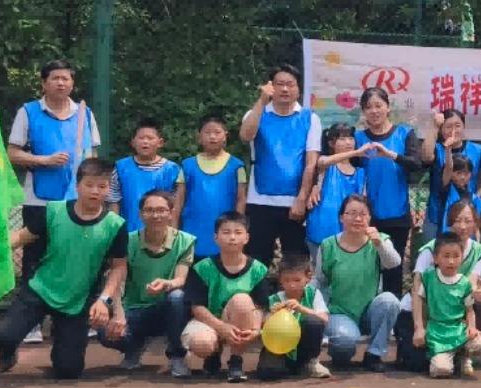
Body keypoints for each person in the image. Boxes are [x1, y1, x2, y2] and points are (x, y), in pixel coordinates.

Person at [0, 158, 126, 378]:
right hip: (41, 289)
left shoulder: (115, 225)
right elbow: (20, 237)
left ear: (108, 189)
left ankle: (62, 346)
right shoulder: (54, 211)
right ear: (77, 185)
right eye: (89, 185)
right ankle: (8, 350)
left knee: (68, 370)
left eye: (102, 186)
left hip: (77, 300)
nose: (95, 191)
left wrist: (104, 300)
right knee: (2, 336)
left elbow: (119, 267)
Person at [6, 60, 101, 342]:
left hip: (77, 201)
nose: (61, 83)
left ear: (72, 83)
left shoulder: (85, 113)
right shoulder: (28, 112)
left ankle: (80, 317)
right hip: (40, 200)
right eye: (55, 78)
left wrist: (91, 188)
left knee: (80, 258)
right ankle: (31, 324)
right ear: (44, 83)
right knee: (35, 258)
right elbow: (13, 153)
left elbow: (93, 156)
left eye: (66, 78)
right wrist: (44, 160)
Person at [100, 189, 194, 378]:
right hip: (135, 309)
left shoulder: (185, 241)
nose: (155, 215)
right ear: (140, 214)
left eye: (161, 210)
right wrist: (118, 314)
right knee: (104, 331)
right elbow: (117, 280)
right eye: (149, 210)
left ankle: (176, 355)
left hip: (167, 309)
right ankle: (133, 347)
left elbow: (180, 279)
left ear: (171, 213)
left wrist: (166, 284)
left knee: (177, 297)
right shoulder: (127, 241)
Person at [239, 64, 321, 267]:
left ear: (298, 88)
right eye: (279, 84)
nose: (285, 89)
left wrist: (302, 198)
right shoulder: (256, 114)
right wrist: (262, 100)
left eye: (290, 84)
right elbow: (245, 136)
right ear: (270, 86)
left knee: (296, 262)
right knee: (256, 260)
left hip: (294, 201)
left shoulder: (310, 118)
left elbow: (311, 162)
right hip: (260, 200)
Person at [314, 195, 403, 372]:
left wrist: (379, 244)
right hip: (340, 312)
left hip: (370, 310)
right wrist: (319, 312)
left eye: (363, 214)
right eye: (352, 213)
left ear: (369, 218)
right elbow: (319, 281)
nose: (357, 218)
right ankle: (340, 351)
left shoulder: (380, 240)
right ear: (341, 217)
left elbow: (394, 263)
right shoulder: (328, 245)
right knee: (344, 345)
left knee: (390, 301)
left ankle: (374, 354)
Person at [181, 211, 272, 383]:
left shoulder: (258, 269)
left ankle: (236, 361)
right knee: (202, 344)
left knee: (242, 301)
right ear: (216, 238)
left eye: (238, 232)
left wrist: (255, 329)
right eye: (226, 232)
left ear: (247, 238)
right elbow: (197, 307)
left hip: (241, 320)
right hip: (209, 320)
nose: (232, 237)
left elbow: (260, 305)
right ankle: (213, 355)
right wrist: (221, 327)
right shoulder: (203, 267)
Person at [354, 87, 427, 297]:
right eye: (369, 107)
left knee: (393, 268)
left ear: (388, 107)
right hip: (366, 217)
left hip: (397, 215)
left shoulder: (404, 134)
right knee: (366, 268)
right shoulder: (358, 138)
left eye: (378, 105)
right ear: (363, 111)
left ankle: (392, 312)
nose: (374, 111)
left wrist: (390, 154)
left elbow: (416, 164)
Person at [409, 231, 481, 378]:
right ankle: (452, 358)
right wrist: (420, 328)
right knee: (441, 371)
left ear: (462, 258)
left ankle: (464, 355)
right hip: (437, 332)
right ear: (436, 258)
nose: (451, 261)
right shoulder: (429, 277)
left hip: (458, 329)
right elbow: (420, 300)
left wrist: (472, 327)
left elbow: (469, 309)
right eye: (446, 256)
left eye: (456, 256)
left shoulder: (464, 283)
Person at [422, 109, 481, 237]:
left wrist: (477, 195)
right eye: (448, 127)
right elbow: (426, 157)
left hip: (465, 216)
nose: (453, 130)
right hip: (437, 214)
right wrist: (434, 126)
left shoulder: (476, 150)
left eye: (457, 126)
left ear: (464, 127)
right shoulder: (437, 149)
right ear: (441, 130)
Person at [174, 114, 247, 258]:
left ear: (225, 136)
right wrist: (173, 230)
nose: (212, 137)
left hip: (225, 231)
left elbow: (241, 200)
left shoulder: (237, 166)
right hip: (192, 228)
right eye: (207, 132)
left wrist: (238, 228)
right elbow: (179, 201)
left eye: (217, 132)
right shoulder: (187, 165)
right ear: (199, 137)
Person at [259, 256, 331, 380]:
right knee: (268, 372)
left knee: (314, 322)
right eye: (286, 280)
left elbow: (324, 319)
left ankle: (311, 362)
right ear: (280, 280)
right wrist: (272, 316)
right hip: (281, 349)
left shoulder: (314, 294)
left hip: (304, 346)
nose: (292, 285)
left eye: (297, 280)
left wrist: (301, 309)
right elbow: (261, 327)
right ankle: (289, 366)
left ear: (308, 277)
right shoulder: (274, 299)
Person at [108, 119, 182, 233]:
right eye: (141, 138)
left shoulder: (172, 170)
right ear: (133, 142)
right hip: (128, 231)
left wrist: (172, 232)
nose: (145, 142)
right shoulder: (121, 168)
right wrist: (115, 231)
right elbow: (113, 201)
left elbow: (175, 205)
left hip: (162, 233)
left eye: (150, 138)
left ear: (160, 142)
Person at [307, 124, 367, 260]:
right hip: (321, 230)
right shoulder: (326, 165)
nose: (348, 143)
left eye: (351, 138)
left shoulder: (360, 173)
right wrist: (356, 152)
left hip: (348, 232)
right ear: (331, 143)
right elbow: (323, 162)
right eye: (342, 139)